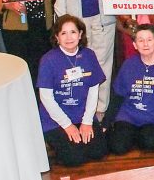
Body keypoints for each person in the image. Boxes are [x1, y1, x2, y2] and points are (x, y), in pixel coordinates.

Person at [37, 15, 108, 168]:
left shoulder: (89, 55)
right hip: (55, 119)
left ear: (80, 34)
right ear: (57, 37)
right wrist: (67, 125)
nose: (69, 37)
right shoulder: (48, 60)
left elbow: (93, 91)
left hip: (81, 115)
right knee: (75, 158)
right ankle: (54, 143)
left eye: (73, 32)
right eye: (63, 33)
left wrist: (87, 121)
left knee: (99, 151)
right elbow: (46, 98)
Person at [105, 25, 154, 154]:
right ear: (135, 45)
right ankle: (128, 135)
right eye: (140, 40)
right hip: (129, 116)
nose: (145, 44)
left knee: (148, 143)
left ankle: (136, 136)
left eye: (149, 40)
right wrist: (106, 123)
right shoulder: (128, 65)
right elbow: (118, 96)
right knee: (118, 147)